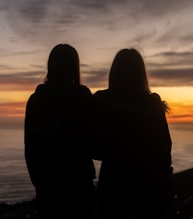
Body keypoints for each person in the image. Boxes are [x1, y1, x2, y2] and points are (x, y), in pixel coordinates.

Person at [93, 48, 174, 219]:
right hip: (148, 186)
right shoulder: (152, 104)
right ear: (141, 73)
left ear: (114, 72)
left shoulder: (101, 101)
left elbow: (92, 147)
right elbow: (164, 148)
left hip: (113, 185)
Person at [24, 44, 96, 219]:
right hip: (79, 183)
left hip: (47, 184)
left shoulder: (36, 100)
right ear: (75, 67)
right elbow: (95, 140)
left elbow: (30, 148)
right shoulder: (82, 96)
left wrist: (38, 182)